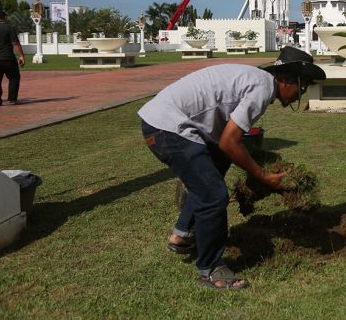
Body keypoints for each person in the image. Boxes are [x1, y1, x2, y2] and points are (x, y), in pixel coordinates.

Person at [138, 46, 326, 290]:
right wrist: (262, 175)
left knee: (216, 167)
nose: (301, 93)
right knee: (214, 195)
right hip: (168, 127)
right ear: (287, 79)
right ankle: (211, 269)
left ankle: (182, 234)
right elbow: (229, 141)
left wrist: (255, 164)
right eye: (303, 86)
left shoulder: (257, 81)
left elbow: (228, 141)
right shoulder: (262, 87)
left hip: (165, 123)